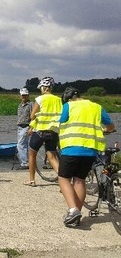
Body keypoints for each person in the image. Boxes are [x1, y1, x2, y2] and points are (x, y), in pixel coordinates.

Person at [58, 87, 115, 227]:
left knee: (63, 178)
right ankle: (76, 216)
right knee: (79, 180)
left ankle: (73, 210)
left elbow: (61, 123)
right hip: (90, 150)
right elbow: (111, 126)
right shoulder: (96, 107)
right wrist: (105, 130)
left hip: (71, 148)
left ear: (68, 98)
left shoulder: (68, 106)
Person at [25, 76, 62, 186]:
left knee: (32, 154)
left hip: (40, 131)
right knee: (52, 157)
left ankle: (32, 180)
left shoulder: (40, 99)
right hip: (53, 132)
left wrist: (31, 127)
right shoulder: (58, 99)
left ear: (43, 87)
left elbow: (32, 116)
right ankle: (63, 180)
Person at [16, 88, 33, 169]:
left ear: (28, 95)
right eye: (22, 95)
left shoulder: (30, 105)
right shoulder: (20, 105)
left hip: (26, 126)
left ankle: (25, 163)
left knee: (20, 145)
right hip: (19, 127)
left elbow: (33, 117)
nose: (24, 97)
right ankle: (26, 162)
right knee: (23, 145)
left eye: (25, 95)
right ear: (20, 96)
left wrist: (31, 127)